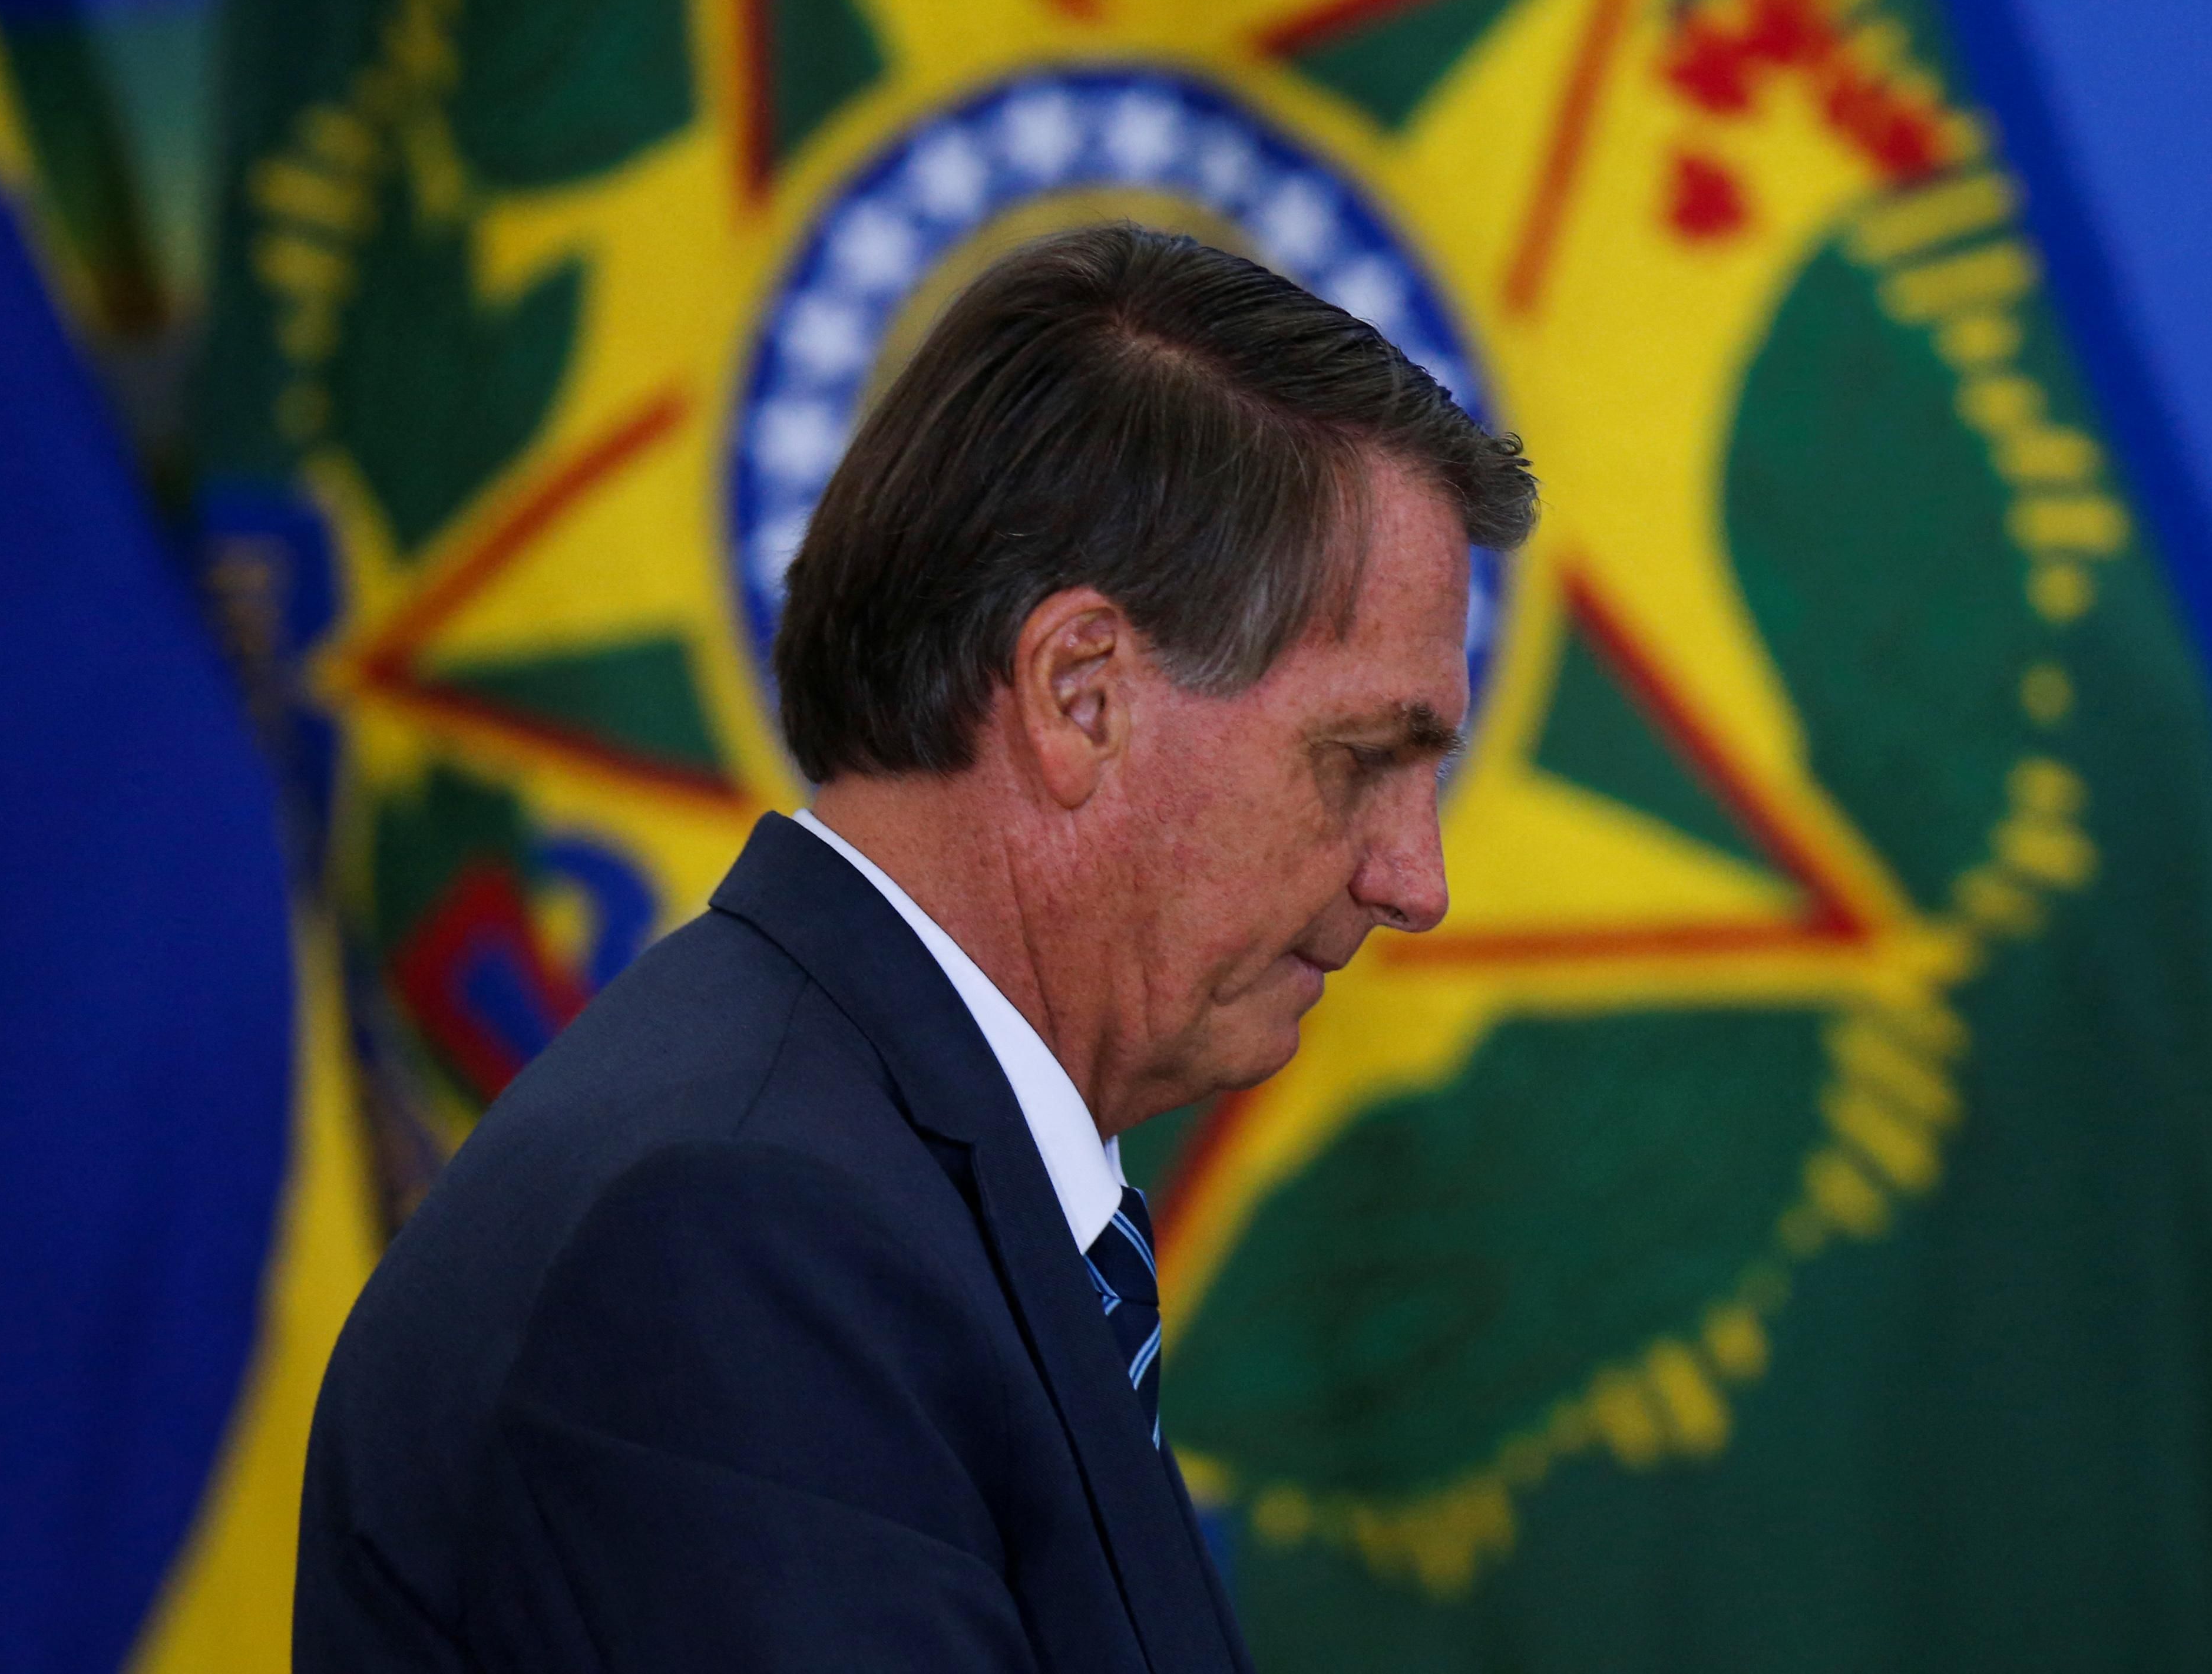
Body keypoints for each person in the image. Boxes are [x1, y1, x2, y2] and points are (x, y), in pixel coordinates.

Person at [294, 223, 1538, 1671]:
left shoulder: (850, 1165)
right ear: (1080, 695)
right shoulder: (735, 1235)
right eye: (1363, 757)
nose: (1415, 878)